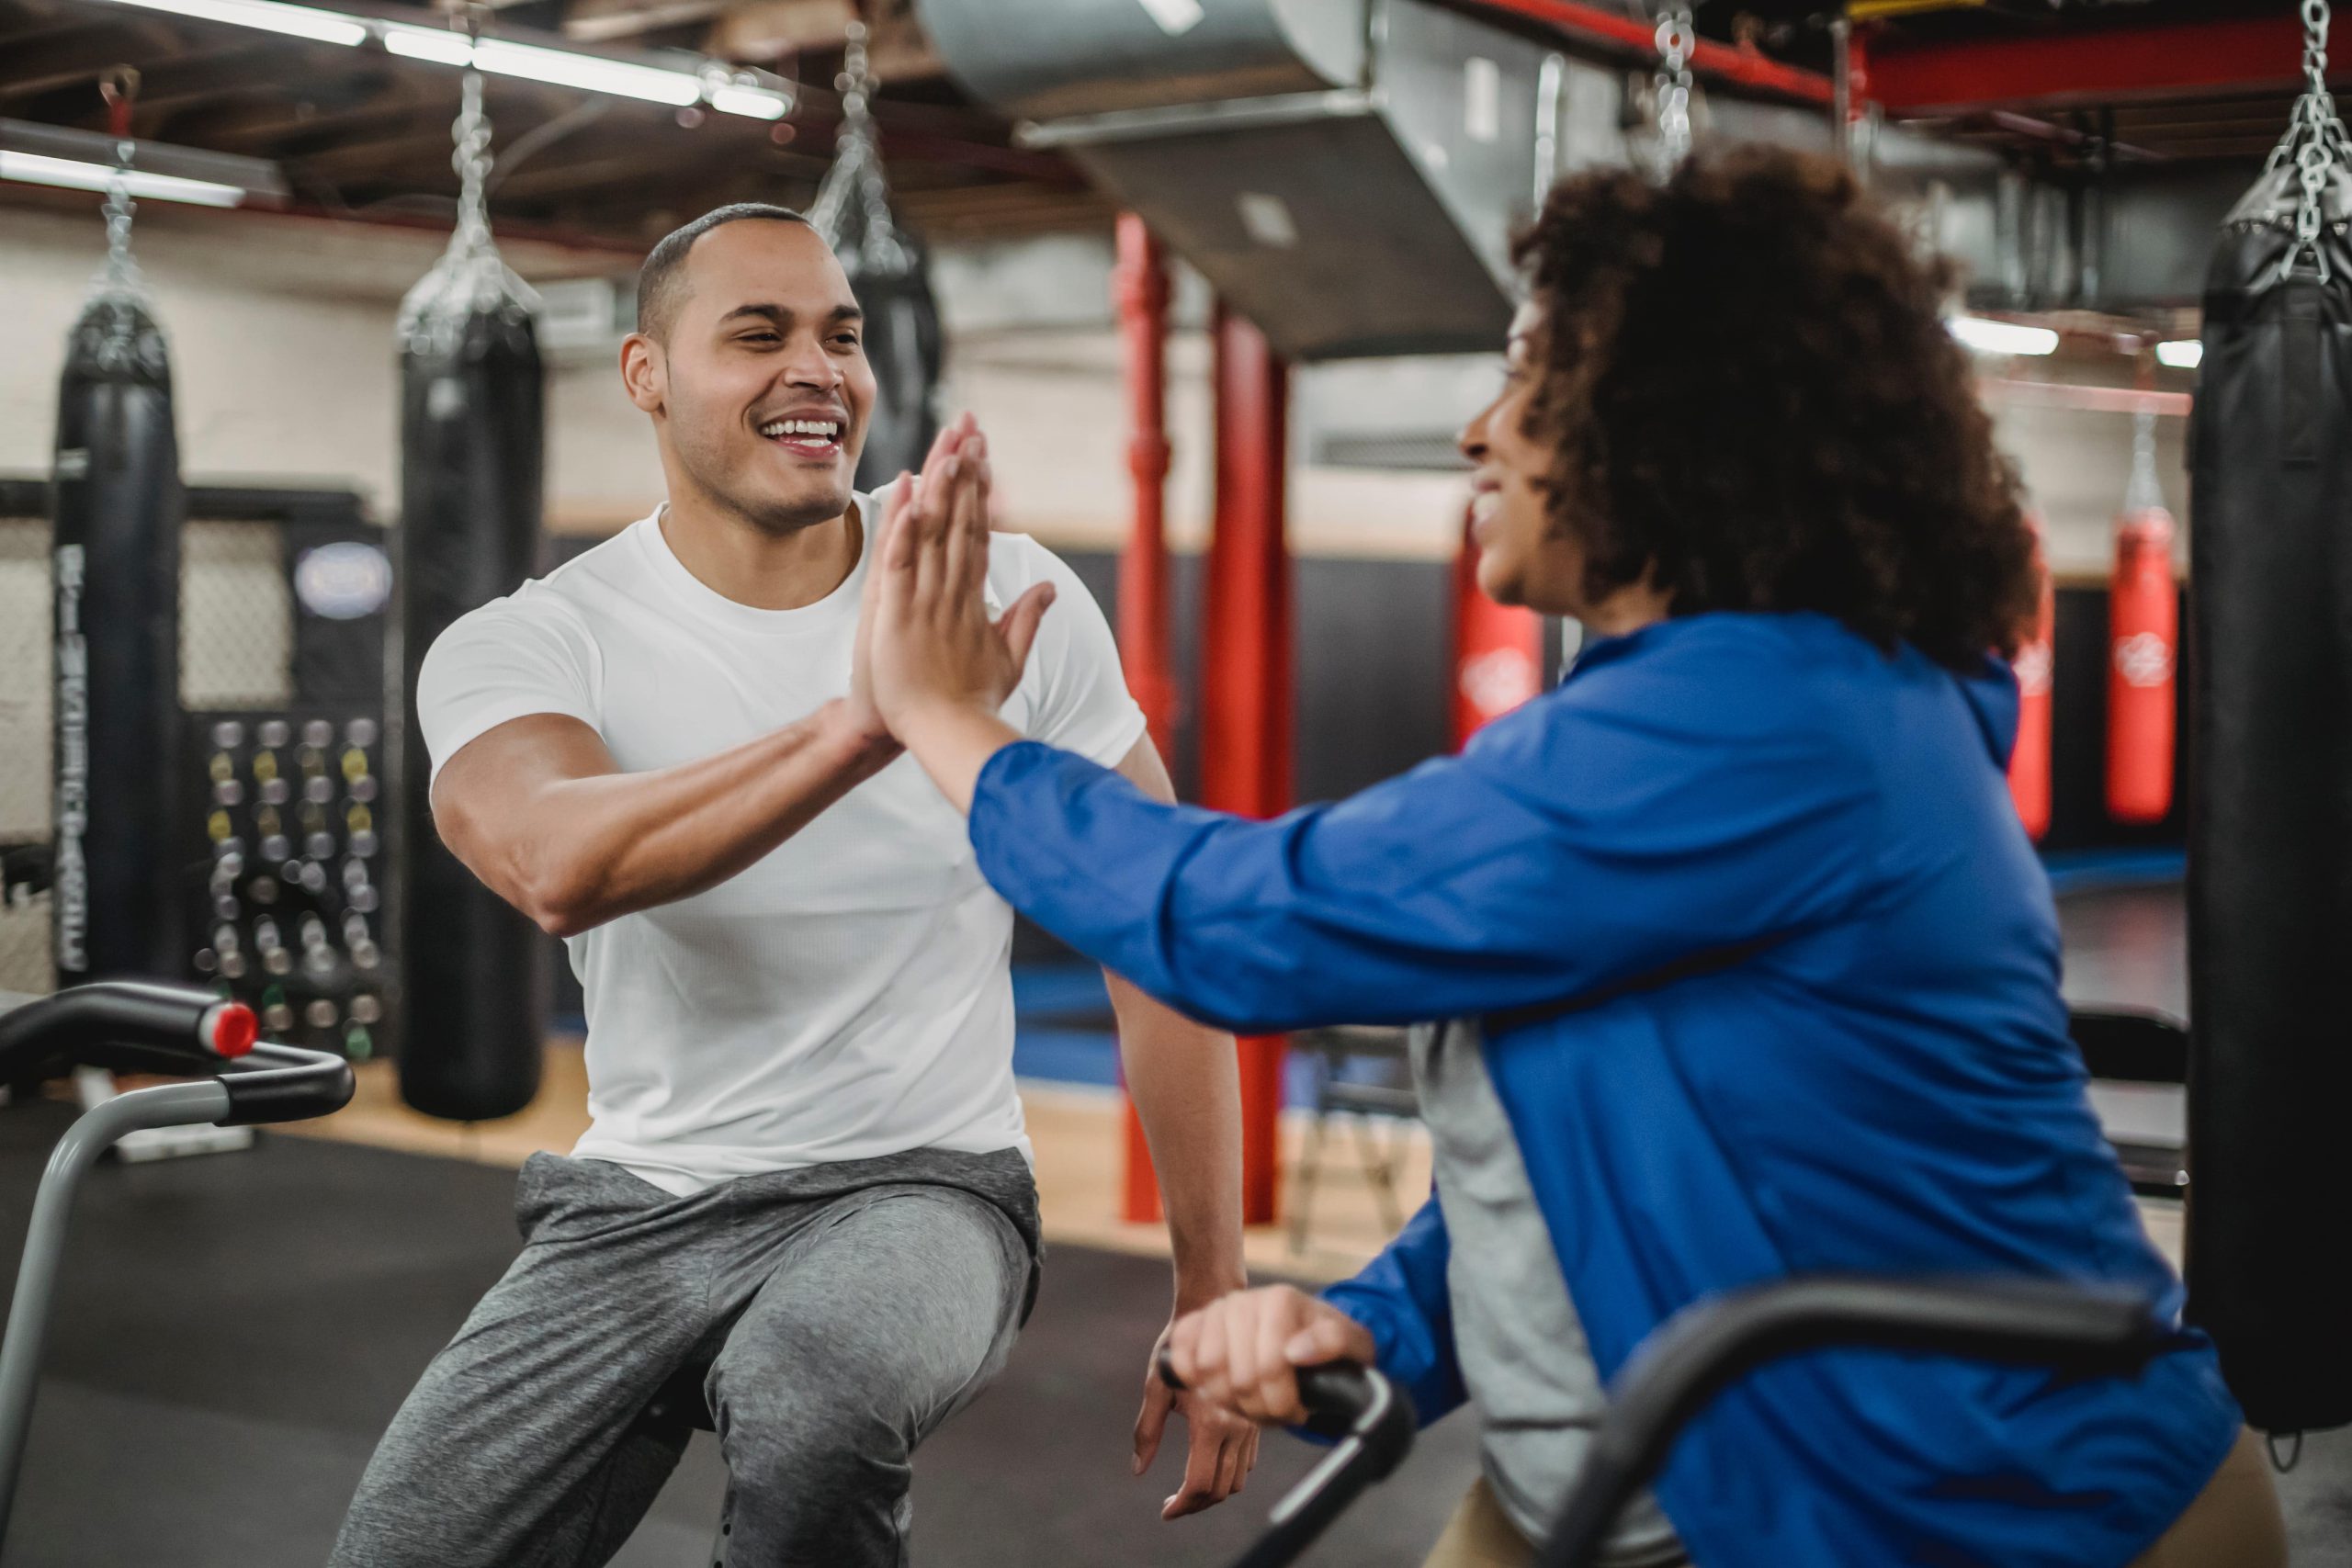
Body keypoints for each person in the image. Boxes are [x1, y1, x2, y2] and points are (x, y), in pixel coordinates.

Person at [858, 150, 2287, 1568]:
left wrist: (950, 721)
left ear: (1668, 431)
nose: (1481, 435)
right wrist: (1377, 1326)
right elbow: (1575, 1149)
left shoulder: (1765, 720)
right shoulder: (1716, 717)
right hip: (1664, 1480)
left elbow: (1243, 924)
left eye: (1530, 388)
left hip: (1987, 1514)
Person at [330, 204, 1256, 1568]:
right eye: (756, 334)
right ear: (646, 373)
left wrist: (1212, 1284)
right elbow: (556, 861)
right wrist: (872, 723)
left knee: (813, 1395)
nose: (817, 367)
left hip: (924, 1188)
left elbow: (1158, 932)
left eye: (842, 334)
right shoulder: (535, 640)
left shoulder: (993, 591)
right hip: (638, 1202)